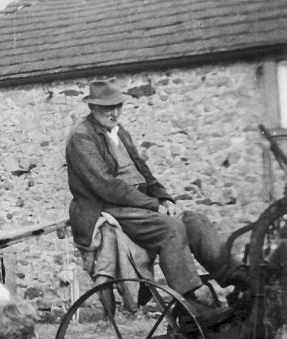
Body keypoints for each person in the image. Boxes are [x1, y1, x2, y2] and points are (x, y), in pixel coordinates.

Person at [65, 79, 249, 321]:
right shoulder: (82, 137)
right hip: (106, 207)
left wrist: (165, 198)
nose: (115, 112)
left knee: (194, 222)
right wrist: (154, 205)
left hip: (138, 203)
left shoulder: (121, 133)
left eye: (118, 106)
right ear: (92, 108)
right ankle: (189, 303)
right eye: (107, 107)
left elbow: (144, 171)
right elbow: (105, 186)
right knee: (171, 228)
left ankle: (236, 275)